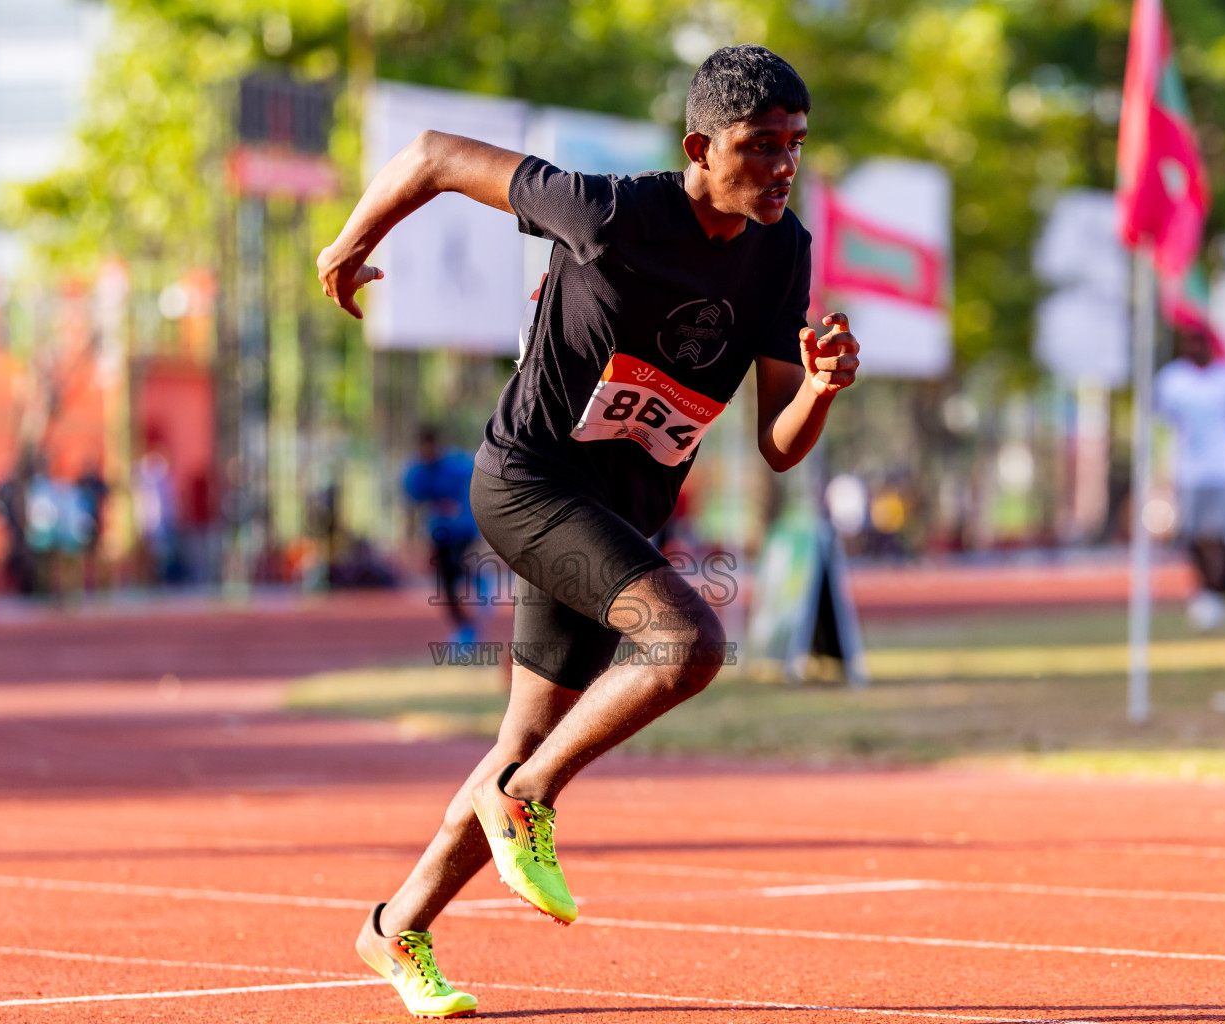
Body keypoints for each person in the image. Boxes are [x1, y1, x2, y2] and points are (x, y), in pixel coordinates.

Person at [317, 45, 858, 1018]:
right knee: (689, 642)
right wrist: (351, 242)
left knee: (521, 737)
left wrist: (817, 388)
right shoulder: (612, 213)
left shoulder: (782, 251)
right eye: (760, 145)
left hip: (615, 517)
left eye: (796, 146)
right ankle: (529, 798)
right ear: (701, 146)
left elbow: (780, 446)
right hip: (527, 483)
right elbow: (435, 152)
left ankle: (396, 925)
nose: (784, 166)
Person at [1155, 323, 1225, 631]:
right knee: (1193, 536)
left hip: (1222, 469)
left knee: (1216, 534)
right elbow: (1164, 419)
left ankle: (1214, 596)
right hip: (1189, 470)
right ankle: (1203, 592)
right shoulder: (1172, 380)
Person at [404, 426, 481, 643]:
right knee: (445, 584)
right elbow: (411, 507)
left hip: (464, 529)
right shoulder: (416, 473)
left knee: (457, 567)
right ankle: (465, 629)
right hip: (439, 534)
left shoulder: (458, 465)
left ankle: (477, 581)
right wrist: (409, 542)